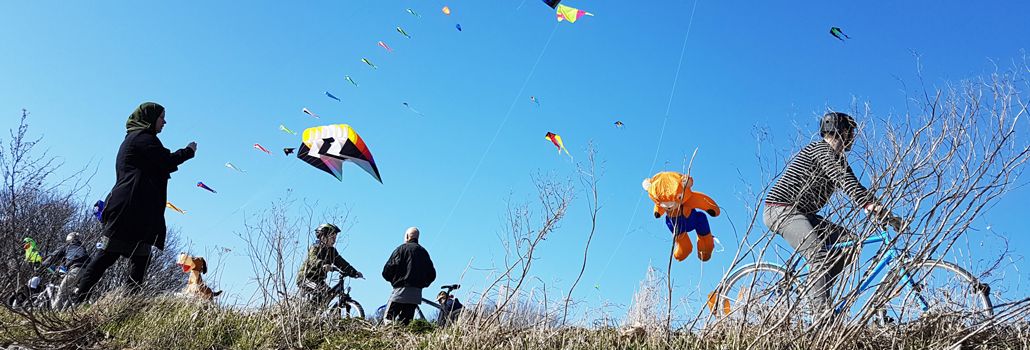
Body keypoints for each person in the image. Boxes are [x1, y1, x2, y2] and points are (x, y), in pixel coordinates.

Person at [763, 111, 891, 311]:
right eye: (851, 133)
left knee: (850, 244)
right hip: (781, 209)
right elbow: (841, 178)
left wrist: (886, 213)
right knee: (819, 256)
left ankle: (816, 290)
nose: (853, 138)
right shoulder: (820, 150)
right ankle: (821, 317)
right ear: (841, 131)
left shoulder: (839, 159)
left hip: (804, 215)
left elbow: (853, 184)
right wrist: (868, 205)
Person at [73, 102, 197, 303]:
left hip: (139, 213)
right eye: (161, 117)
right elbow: (166, 160)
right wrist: (188, 151)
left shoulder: (138, 140)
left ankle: (127, 304)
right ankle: (78, 299)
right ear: (149, 118)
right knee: (107, 256)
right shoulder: (142, 139)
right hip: (128, 211)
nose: (165, 122)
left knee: (139, 259)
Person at [297, 223, 363, 306]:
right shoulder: (315, 247)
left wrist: (354, 272)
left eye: (335, 237)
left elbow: (342, 263)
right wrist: (322, 264)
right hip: (306, 278)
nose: (334, 240)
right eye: (332, 237)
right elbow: (313, 259)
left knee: (329, 294)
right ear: (323, 237)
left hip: (319, 281)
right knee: (322, 292)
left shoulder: (332, 252)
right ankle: (308, 313)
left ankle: (319, 312)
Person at [382, 227, 436, 325]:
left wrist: (393, 281)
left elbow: (387, 270)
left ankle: (389, 338)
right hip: (416, 294)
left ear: (407, 236)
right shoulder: (423, 252)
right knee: (405, 323)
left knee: (388, 319)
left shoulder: (400, 249)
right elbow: (432, 274)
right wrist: (422, 284)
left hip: (400, 290)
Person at [41, 232, 90, 308]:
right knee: (73, 290)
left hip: (76, 270)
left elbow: (54, 256)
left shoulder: (68, 247)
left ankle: (56, 311)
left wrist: (43, 265)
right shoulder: (82, 248)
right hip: (87, 271)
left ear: (69, 239)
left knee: (62, 290)